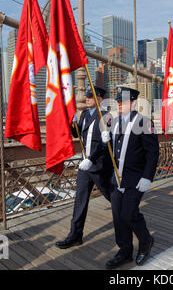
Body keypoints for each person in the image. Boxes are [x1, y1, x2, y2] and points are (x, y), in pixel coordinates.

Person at [99, 86, 159, 269]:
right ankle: (125, 250)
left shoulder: (144, 122)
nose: (119, 104)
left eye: (122, 101)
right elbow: (112, 151)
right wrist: (105, 141)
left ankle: (145, 241)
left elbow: (152, 153)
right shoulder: (114, 122)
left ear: (133, 103)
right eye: (117, 101)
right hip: (116, 179)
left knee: (129, 213)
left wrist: (147, 177)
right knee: (118, 217)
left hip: (135, 178)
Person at [55, 86, 113, 249]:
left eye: (90, 96)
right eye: (86, 96)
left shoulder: (106, 116)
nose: (86, 99)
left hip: (99, 165)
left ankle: (128, 217)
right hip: (85, 166)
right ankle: (75, 235)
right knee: (80, 200)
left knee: (111, 196)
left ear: (99, 99)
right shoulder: (85, 114)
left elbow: (104, 143)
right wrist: (72, 123)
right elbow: (78, 135)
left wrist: (91, 159)